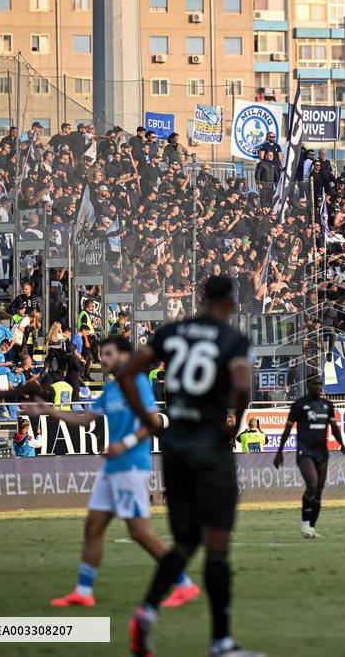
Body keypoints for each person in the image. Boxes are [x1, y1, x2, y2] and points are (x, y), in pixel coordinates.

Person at [116, 276, 257, 657]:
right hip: (210, 446)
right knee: (217, 545)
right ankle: (221, 642)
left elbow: (128, 372)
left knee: (185, 541)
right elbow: (243, 386)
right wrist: (236, 421)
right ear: (229, 302)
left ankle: (145, 612)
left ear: (201, 298)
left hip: (175, 448)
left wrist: (147, 421)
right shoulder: (232, 339)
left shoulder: (172, 331)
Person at [22, 336, 200, 609]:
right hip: (112, 468)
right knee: (93, 526)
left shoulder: (138, 382)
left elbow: (152, 423)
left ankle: (184, 585)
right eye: (102, 355)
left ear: (124, 356)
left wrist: (124, 444)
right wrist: (50, 412)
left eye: (108, 354)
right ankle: (83, 592)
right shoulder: (113, 389)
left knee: (140, 533)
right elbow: (85, 419)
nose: (102, 359)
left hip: (130, 466)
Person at [272, 376, 345, 538]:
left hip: (322, 452)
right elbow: (287, 430)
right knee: (312, 484)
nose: (318, 387)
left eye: (320, 384)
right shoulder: (299, 405)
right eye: (315, 384)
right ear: (308, 385)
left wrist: (342, 443)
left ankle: (311, 528)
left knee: (319, 491)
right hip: (305, 451)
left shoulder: (327, 405)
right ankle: (304, 523)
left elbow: (334, 428)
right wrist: (279, 452)